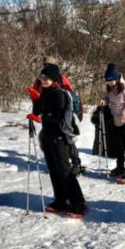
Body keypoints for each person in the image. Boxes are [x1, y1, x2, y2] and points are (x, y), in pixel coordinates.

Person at [38, 63, 89, 218]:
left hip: (60, 138)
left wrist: (42, 116)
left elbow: (58, 117)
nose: (44, 80)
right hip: (47, 137)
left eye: (47, 78)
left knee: (64, 171)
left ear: (54, 79)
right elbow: (39, 111)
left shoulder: (59, 94)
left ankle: (78, 203)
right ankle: (60, 199)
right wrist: (36, 103)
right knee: (53, 170)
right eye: (42, 77)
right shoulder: (44, 93)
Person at [27, 56, 84, 175]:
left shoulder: (60, 78)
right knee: (49, 139)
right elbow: (37, 95)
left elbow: (69, 92)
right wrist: (37, 102)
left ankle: (75, 163)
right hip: (46, 112)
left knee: (67, 138)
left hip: (62, 112)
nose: (46, 66)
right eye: (45, 64)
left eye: (49, 64)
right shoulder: (40, 79)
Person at [99, 63, 125, 182]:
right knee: (119, 145)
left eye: (111, 82)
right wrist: (104, 101)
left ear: (116, 78)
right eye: (108, 82)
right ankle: (120, 167)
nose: (110, 84)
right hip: (115, 120)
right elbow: (109, 98)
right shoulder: (111, 87)